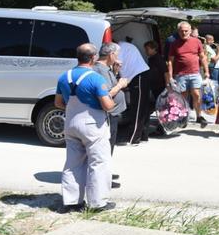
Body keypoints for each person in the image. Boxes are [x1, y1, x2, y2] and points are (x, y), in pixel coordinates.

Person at [56, 44, 115, 212]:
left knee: (72, 163)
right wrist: (111, 97)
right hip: (92, 125)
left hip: (71, 123)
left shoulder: (63, 76)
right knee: (98, 162)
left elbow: (58, 103)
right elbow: (107, 105)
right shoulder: (96, 78)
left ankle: (71, 202)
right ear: (93, 58)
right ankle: (98, 203)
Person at [94, 44, 129, 183]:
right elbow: (107, 94)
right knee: (106, 146)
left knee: (109, 146)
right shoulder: (100, 70)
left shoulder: (106, 69)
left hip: (113, 113)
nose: (118, 57)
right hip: (107, 114)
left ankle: (105, 172)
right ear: (111, 54)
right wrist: (120, 84)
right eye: (117, 54)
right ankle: (102, 178)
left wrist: (115, 72)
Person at [166, 21, 210, 127]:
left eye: (186, 31)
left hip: (195, 72)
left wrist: (207, 72)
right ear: (178, 31)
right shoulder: (174, 43)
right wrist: (170, 77)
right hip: (181, 74)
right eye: (182, 31)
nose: (184, 33)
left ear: (190, 31)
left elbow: (203, 57)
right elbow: (170, 60)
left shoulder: (197, 41)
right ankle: (183, 117)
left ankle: (199, 116)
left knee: (197, 94)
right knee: (183, 97)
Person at [131, 41, 165, 145]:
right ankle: (160, 127)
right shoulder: (151, 59)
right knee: (157, 107)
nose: (146, 51)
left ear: (153, 48)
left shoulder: (158, 58)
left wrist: (168, 86)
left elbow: (166, 72)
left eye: (147, 49)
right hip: (154, 86)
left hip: (160, 86)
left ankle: (161, 128)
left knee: (161, 108)